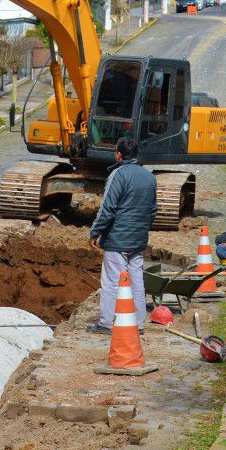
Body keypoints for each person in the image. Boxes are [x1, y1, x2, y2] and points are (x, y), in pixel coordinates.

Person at [87, 138, 158, 334]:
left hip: (117, 240)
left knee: (111, 282)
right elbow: (152, 210)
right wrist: (142, 229)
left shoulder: (117, 175)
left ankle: (107, 323)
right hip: (138, 240)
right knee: (137, 282)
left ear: (119, 154)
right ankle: (139, 324)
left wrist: (95, 232)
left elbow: (107, 209)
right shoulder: (150, 177)